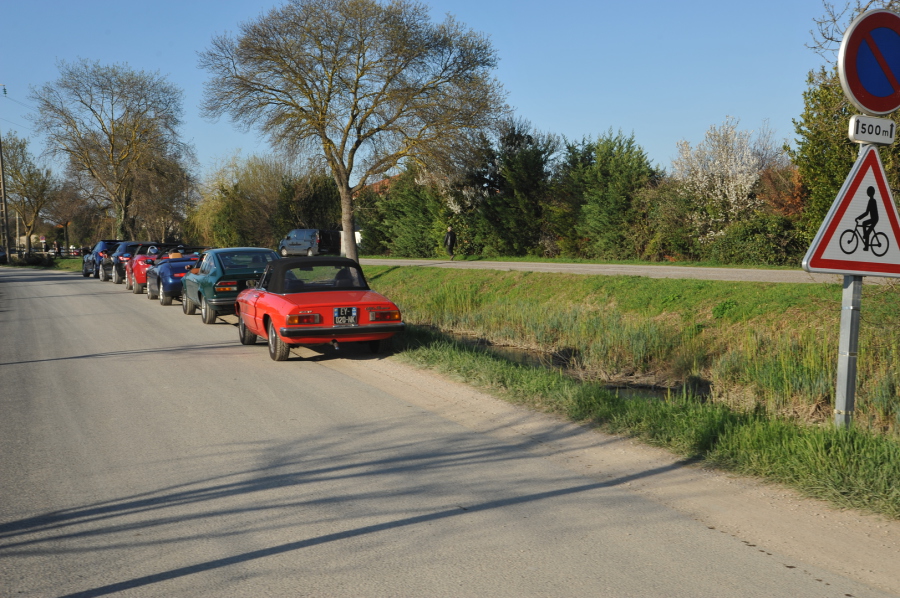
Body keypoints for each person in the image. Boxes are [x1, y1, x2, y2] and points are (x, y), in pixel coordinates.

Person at [856, 186, 880, 251]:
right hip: (874, 219)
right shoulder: (871, 201)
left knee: (864, 224)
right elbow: (867, 212)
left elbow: (867, 213)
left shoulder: (872, 201)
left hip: (874, 219)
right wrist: (859, 217)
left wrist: (859, 218)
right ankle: (866, 246)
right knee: (867, 231)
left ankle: (865, 237)